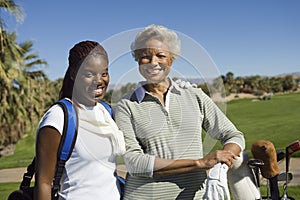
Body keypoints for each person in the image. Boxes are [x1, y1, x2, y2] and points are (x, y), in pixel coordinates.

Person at [113, 25, 245, 199]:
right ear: (137, 59)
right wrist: (200, 163)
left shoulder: (194, 95)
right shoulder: (126, 105)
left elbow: (233, 135)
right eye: (145, 56)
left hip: (195, 196)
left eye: (161, 56)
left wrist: (221, 167)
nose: (154, 62)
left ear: (171, 60)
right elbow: (134, 162)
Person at [34, 41, 125, 200]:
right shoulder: (58, 117)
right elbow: (44, 184)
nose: (99, 80)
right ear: (73, 74)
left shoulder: (106, 112)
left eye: (104, 73)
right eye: (89, 74)